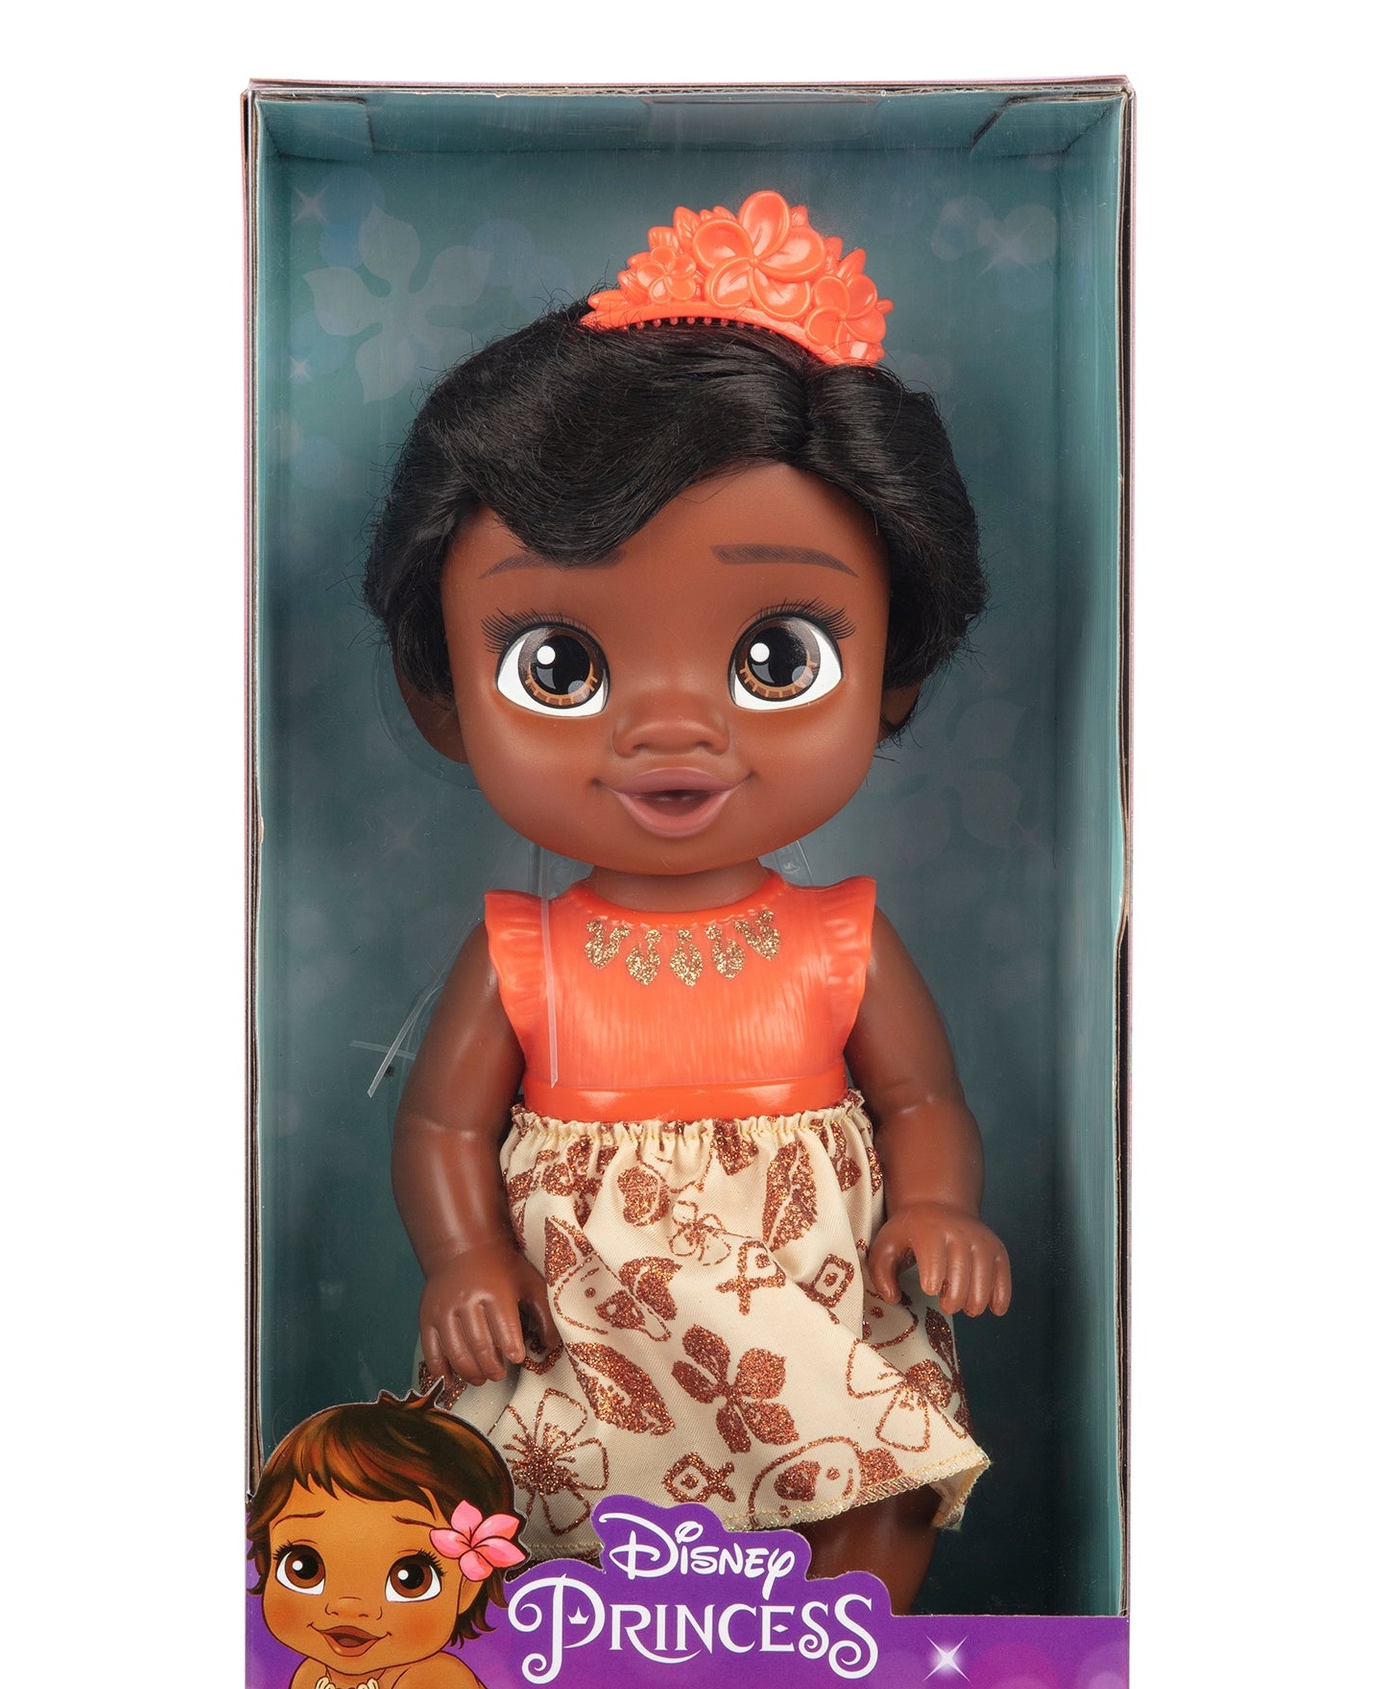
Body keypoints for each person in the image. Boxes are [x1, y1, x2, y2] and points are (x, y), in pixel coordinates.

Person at [369, 191, 1010, 1614]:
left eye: (777, 658)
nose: (671, 729)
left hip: (808, 1292)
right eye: (561, 667)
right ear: (443, 699)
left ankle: (836, 1652)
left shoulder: (838, 938)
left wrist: (938, 1204)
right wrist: (464, 1253)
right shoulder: (524, 953)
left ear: (894, 674)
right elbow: (443, 1126)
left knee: (875, 1463)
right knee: (529, 1482)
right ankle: (591, 1658)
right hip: (583, 1310)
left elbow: (922, 1098)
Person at [245, 1394, 568, 1689]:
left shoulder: (431, 1687)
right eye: (305, 1567)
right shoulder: (313, 1679)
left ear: (466, 1586)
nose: (348, 1606)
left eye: (409, 1578)